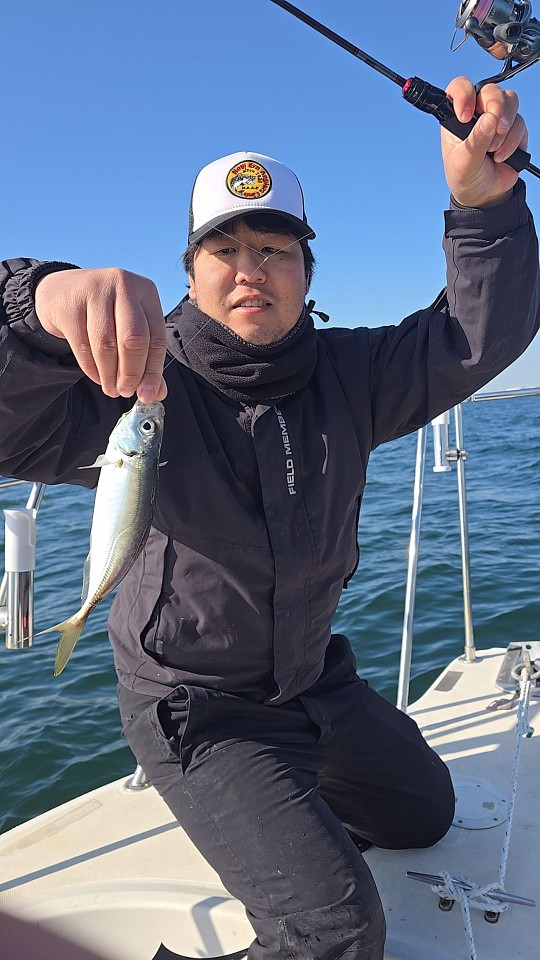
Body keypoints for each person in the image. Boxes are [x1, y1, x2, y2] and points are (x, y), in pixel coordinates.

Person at [0, 77, 539, 959]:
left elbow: (475, 339)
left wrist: (485, 211)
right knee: (337, 932)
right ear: (190, 272)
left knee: (425, 814)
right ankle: (265, 816)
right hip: (197, 708)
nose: (251, 268)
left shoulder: (353, 375)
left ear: (307, 273)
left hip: (315, 682)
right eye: (225, 248)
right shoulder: (129, 389)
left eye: (276, 248)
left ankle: (285, 813)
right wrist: (33, 305)